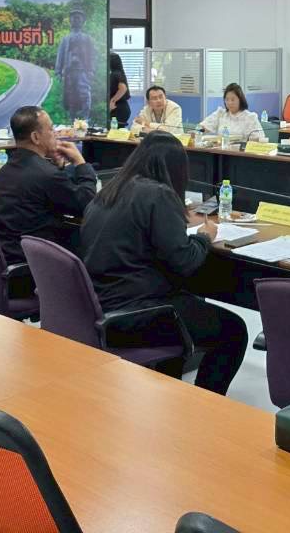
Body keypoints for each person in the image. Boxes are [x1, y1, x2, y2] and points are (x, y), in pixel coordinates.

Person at [79, 132, 247, 395]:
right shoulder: (159, 194)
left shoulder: (110, 189)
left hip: (100, 303)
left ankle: (169, 398)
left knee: (187, 303)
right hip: (134, 312)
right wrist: (204, 237)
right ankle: (205, 404)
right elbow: (185, 261)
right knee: (234, 330)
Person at [0, 105, 98, 268]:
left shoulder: (7, 168)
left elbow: (49, 188)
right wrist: (80, 163)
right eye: (51, 129)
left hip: (7, 253)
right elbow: (87, 203)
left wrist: (57, 167)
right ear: (35, 137)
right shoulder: (46, 174)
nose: (55, 134)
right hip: (36, 263)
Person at [56, 0, 97, 122]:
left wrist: (91, 70)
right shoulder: (65, 39)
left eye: (78, 17)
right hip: (69, 71)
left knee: (85, 93)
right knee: (71, 95)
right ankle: (72, 119)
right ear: (70, 20)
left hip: (82, 70)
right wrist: (58, 71)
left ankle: (85, 118)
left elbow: (92, 55)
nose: (76, 19)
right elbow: (60, 55)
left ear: (83, 20)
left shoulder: (87, 39)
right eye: (73, 17)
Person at [198, 83, 265, 143]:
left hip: (240, 152)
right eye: (227, 99)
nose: (229, 103)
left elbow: (259, 139)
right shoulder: (221, 114)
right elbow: (203, 127)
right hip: (221, 150)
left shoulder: (250, 117)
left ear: (240, 99)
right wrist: (199, 130)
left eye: (233, 100)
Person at [108, 52, 131, 127]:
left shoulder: (116, 74)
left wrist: (112, 101)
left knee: (114, 131)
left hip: (119, 108)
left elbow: (123, 88)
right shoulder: (119, 73)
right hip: (122, 108)